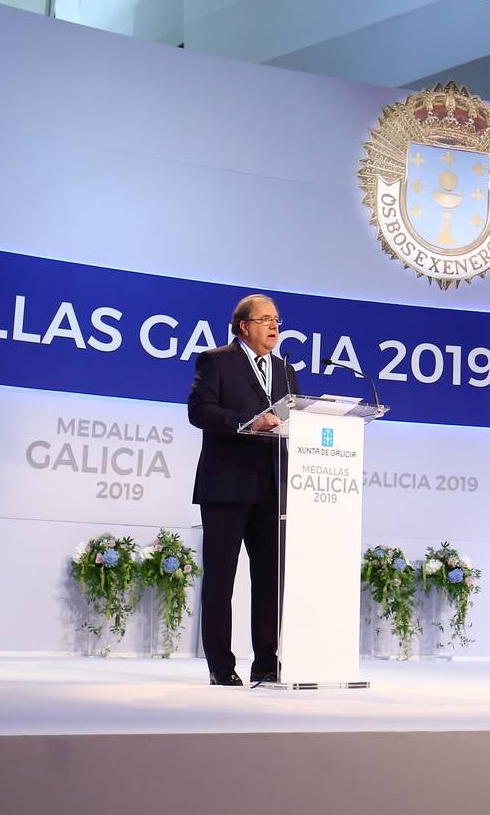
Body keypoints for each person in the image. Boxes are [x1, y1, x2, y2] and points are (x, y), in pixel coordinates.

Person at [187, 294, 299, 686]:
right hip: (226, 485)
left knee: (269, 580)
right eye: (265, 319)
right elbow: (199, 410)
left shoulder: (286, 370)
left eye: (277, 320)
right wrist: (247, 422)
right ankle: (220, 665)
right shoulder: (216, 360)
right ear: (243, 327)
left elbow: (294, 420)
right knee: (221, 578)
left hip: (272, 488)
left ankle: (267, 663)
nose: (274, 326)